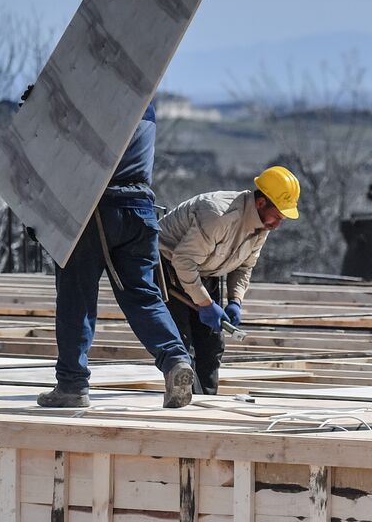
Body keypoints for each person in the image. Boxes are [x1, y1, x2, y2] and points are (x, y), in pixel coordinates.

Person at [38, 98, 196, 408]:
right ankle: (176, 358)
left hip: (98, 206)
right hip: (141, 209)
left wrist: (45, 102)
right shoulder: (144, 103)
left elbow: (62, 142)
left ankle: (72, 384)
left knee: (77, 296)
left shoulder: (102, 93)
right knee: (143, 295)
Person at [159, 166, 301, 394]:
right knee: (181, 342)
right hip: (169, 269)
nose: (277, 225)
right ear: (261, 203)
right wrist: (205, 304)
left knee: (212, 345)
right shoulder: (219, 214)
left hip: (205, 272)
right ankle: (180, 401)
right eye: (277, 216)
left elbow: (245, 266)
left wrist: (235, 300)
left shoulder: (262, 225)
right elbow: (183, 261)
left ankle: (205, 401)